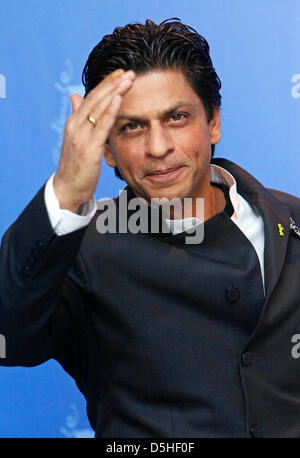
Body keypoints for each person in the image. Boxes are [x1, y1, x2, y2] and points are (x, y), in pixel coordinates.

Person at [1, 17, 300, 438]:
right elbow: (8, 339)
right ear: (107, 149)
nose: (158, 147)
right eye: (132, 127)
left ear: (212, 122)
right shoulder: (81, 249)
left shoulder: (291, 221)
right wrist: (66, 193)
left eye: (176, 117)